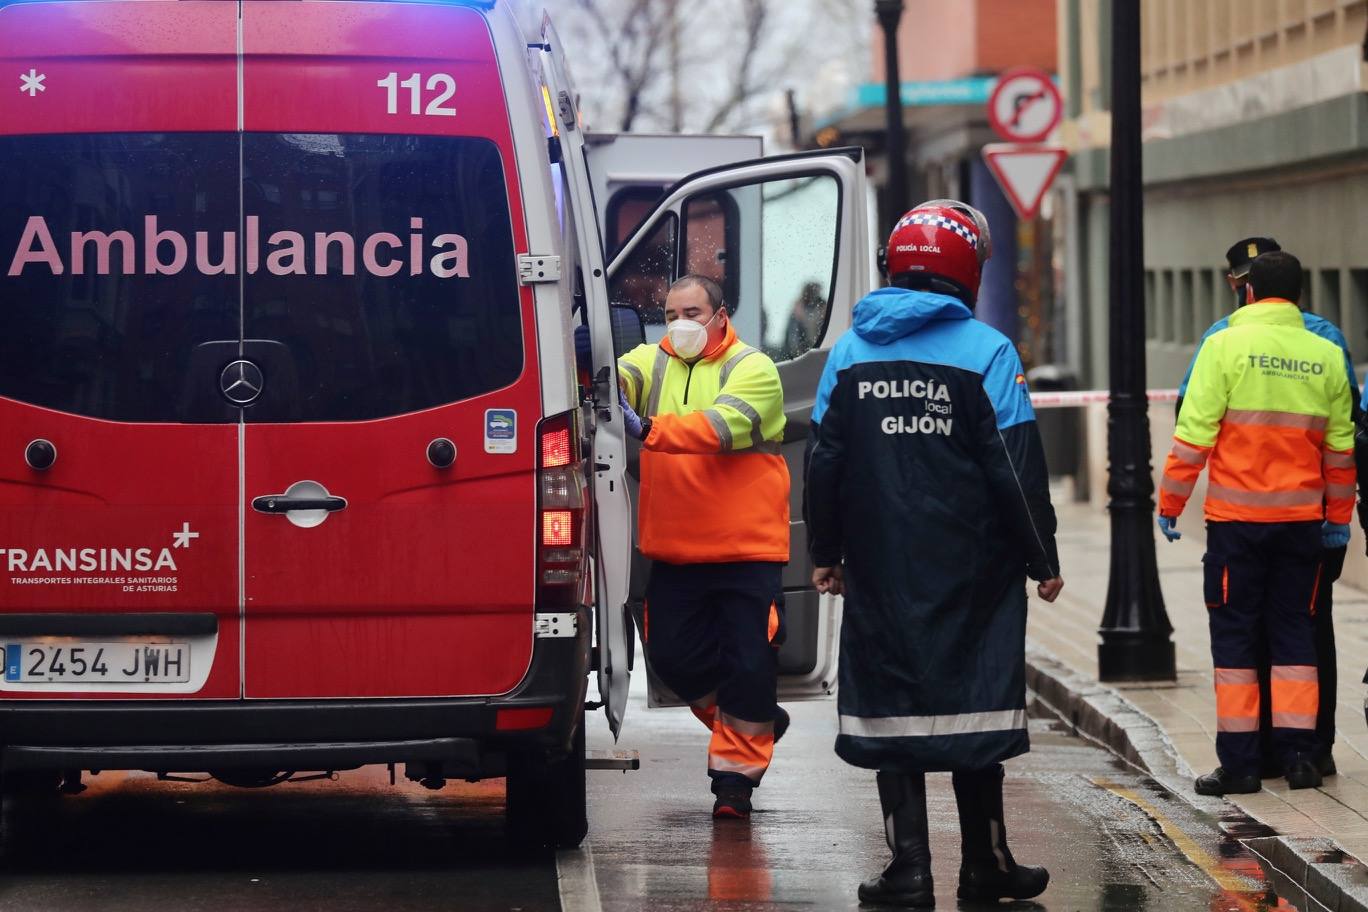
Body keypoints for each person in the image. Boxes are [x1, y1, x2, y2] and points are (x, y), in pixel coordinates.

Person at [805, 200, 1062, 908]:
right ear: (968, 271)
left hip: (881, 569)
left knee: (894, 713)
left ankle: (907, 870)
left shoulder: (851, 354)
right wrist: (1043, 558)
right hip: (972, 570)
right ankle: (987, 862)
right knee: (973, 707)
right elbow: (1016, 469)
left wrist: (825, 552)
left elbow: (823, 464)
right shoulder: (988, 352)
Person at [1158, 250, 1356, 796]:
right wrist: (1337, 521)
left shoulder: (1222, 347)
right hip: (1301, 525)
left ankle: (1242, 766)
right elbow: (1341, 451)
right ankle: (1300, 760)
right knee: (1296, 638)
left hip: (1237, 525)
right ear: (1297, 294)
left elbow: (1193, 435)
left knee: (1237, 643)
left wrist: (1171, 503)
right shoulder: (1325, 354)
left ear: (1247, 292)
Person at [616, 274, 791, 820]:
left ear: (720, 315)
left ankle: (733, 785)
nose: (679, 323)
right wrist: (594, 369)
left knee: (747, 665)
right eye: (669, 314)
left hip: (747, 552)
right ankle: (757, 719)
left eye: (691, 312)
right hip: (674, 552)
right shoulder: (653, 361)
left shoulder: (753, 367)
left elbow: (721, 427)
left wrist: (645, 427)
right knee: (671, 659)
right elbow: (614, 379)